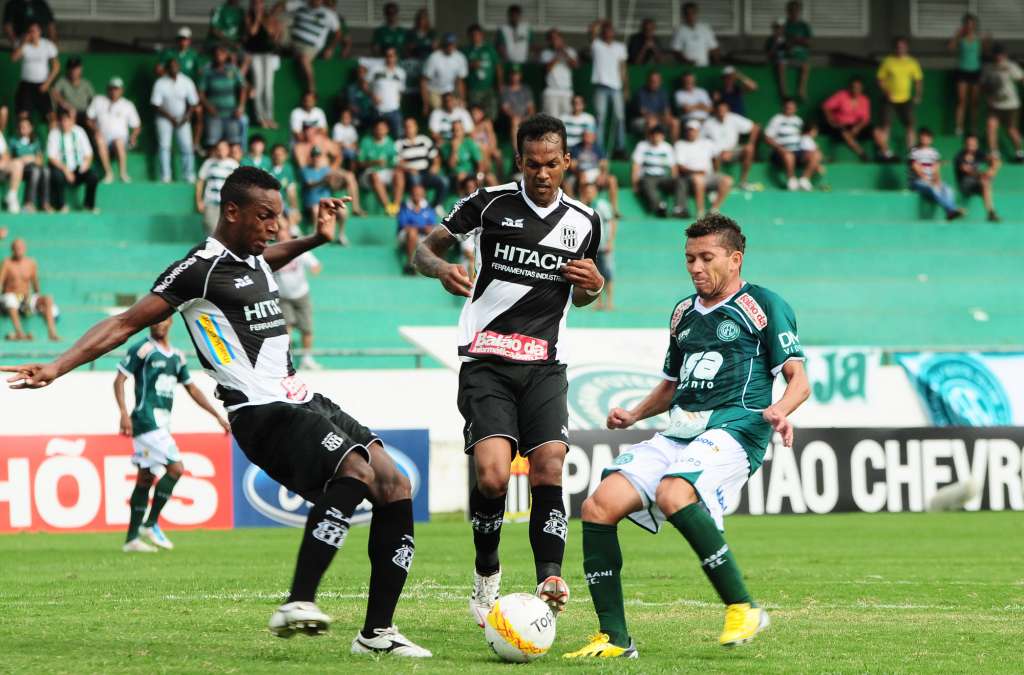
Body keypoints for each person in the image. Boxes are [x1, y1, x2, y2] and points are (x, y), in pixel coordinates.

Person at [1, 167, 432, 657]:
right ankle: (298, 601)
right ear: (231, 212)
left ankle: (377, 633)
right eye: (265, 216)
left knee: (396, 484)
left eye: (279, 215)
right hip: (259, 409)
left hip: (302, 396)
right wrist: (58, 366)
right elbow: (125, 322)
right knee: (353, 469)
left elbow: (269, 256)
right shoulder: (197, 269)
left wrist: (317, 238)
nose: (274, 226)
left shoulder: (253, 259)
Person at [563, 213, 810, 659]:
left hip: (738, 427)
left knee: (674, 491)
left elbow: (799, 379)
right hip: (680, 431)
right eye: (690, 258)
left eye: (706, 258)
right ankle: (615, 638)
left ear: (735, 259)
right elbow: (673, 384)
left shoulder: (764, 305)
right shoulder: (682, 313)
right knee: (598, 505)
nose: (696, 267)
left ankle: (743, 607)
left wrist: (780, 409)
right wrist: (635, 413)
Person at [413, 113, 605, 627]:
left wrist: (594, 286)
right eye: (532, 164)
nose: (542, 174)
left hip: (544, 364)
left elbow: (582, 296)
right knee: (495, 477)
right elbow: (422, 250)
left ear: (567, 162)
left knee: (549, 465)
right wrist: (442, 268)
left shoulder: (585, 222)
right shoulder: (488, 203)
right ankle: (486, 573)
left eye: (552, 164)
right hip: (487, 361)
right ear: (518, 161)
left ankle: (550, 577)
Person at [115, 317, 230, 553]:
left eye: (163, 319)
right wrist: (123, 413)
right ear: (149, 324)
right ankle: (150, 523)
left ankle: (131, 540)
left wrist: (216, 416)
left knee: (146, 478)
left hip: (162, 424)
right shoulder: (142, 349)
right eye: (154, 320)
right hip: (146, 420)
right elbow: (119, 380)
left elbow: (192, 388)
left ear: (170, 322)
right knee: (176, 469)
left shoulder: (177, 356)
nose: (158, 324)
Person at [273, 225, 324, 369]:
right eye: (279, 237)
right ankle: (285, 359)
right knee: (286, 329)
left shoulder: (299, 251)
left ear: (289, 237)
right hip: (283, 297)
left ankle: (307, 358)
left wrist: (315, 268)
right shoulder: (273, 253)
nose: (282, 239)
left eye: (284, 237)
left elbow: (316, 265)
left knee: (307, 328)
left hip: (302, 295)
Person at [0, 238, 60, 341]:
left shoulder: (31, 263)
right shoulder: (7, 263)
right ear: (12, 249)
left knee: (47, 299)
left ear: (25, 249)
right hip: (10, 297)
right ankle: (20, 333)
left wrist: (38, 302)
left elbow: (36, 286)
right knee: (10, 299)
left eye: (21, 248)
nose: (19, 250)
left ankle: (52, 333)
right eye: (16, 248)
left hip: (26, 298)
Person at [875, 36, 923, 161]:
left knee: (910, 125)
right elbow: (880, 79)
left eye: (902, 46)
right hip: (889, 99)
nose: (900, 48)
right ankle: (885, 152)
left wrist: (917, 95)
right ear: (895, 48)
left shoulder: (912, 62)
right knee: (886, 125)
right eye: (898, 46)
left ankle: (912, 153)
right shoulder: (888, 61)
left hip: (906, 99)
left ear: (906, 47)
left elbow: (918, 80)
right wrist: (886, 91)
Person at [152, 57, 200, 184]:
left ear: (179, 67)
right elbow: (156, 105)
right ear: (167, 68)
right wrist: (170, 118)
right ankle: (165, 176)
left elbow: (193, 102)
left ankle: (189, 175)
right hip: (164, 118)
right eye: (171, 66)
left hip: (182, 118)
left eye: (175, 65)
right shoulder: (160, 83)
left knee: (186, 146)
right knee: (164, 146)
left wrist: (186, 116)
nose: (173, 68)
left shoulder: (186, 81)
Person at [87, 77, 141, 184]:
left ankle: (123, 173)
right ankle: (109, 174)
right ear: (107, 89)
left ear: (121, 90)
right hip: (102, 138)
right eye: (111, 88)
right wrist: (95, 130)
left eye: (116, 89)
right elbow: (89, 119)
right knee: (99, 140)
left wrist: (133, 137)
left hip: (121, 140)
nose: (113, 91)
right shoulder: (98, 100)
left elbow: (137, 126)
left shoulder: (128, 105)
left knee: (119, 141)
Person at [676, 119, 733, 216]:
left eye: (693, 130)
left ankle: (713, 209)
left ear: (698, 131)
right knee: (699, 180)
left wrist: (716, 170)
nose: (691, 132)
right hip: (690, 177)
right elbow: (680, 166)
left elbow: (717, 156)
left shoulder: (707, 143)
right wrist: (697, 171)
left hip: (709, 175)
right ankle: (700, 212)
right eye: (689, 130)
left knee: (727, 180)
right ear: (686, 132)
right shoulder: (680, 144)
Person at [47, 108, 99, 213]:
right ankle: (61, 205)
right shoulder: (54, 133)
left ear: (72, 121)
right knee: (57, 176)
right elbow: (51, 157)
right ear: (60, 121)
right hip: (62, 168)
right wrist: (66, 170)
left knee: (93, 176)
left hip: (78, 168)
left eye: (68, 120)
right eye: (63, 120)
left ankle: (89, 205)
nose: (65, 123)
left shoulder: (79, 131)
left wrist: (85, 165)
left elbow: (88, 153)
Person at [589, 20, 628, 157]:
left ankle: (620, 148)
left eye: (610, 30)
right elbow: (591, 31)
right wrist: (601, 21)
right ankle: (599, 150)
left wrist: (625, 87)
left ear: (614, 32)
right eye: (605, 30)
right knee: (600, 118)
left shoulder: (620, 47)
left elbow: (623, 68)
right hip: (601, 86)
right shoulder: (597, 44)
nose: (608, 32)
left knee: (619, 117)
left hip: (617, 87)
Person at [909, 128, 965, 221]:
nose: (924, 139)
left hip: (931, 180)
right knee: (933, 188)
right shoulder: (914, 151)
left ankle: (951, 210)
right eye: (922, 136)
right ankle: (951, 210)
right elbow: (916, 167)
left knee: (948, 189)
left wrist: (937, 180)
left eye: (927, 137)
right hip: (917, 182)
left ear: (931, 139)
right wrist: (926, 179)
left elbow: (936, 168)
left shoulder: (934, 152)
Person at [632, 124, 688, 218]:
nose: (656, 137)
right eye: (654, 134)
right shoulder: (642, 146)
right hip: (647, 177)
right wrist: (635, 184)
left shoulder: (667, 147)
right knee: (646, 183)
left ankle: (679, 208)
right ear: (650, 136)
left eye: (658, 135)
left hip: (663, 177)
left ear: (663, 136)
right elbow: (636, 166)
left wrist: (673, 181)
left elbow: (673, 167)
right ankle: (659, 206)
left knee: (680, 181)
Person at [199, 43, 247, 149]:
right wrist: (209, 107)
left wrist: (241, 107)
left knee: (234, 144)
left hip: (232, 114)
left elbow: (243, 87)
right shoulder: (207, 71)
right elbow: (200, 93)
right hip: (214, 115)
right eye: (216, 54)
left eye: (221, 53)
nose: (218, 56)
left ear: (226, 55)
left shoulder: (233, 69)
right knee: (212, 145)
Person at [702, 100, 759, 190]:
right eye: (719, 110)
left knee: (749, 149)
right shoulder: (708, 123)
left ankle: (743, 182)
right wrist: (718, 152)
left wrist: (751, 143)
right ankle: (715, 187)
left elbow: (755, 127)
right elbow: (700, 141)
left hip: (734, 150)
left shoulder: (734, 118)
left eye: (724, 110)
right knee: (713, 155)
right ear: (715, 111)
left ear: (728, 110)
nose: (722, 113)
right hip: (716, 152)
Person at [765, 97, 819, 191]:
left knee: (816, 154)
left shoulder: (798, 121)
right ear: (783, 108)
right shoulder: (776, 119)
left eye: (792, 108)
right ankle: (792, 180)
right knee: (788, 155)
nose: (789, 110)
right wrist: (779, 148)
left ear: (795, 109)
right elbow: (767, 138)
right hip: (781, 151)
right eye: (787, 107)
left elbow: (804, 138)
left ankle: (804, 180)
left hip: (798, 151)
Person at [395, 116, 448, 213]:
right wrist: (409, 169)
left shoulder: (424, 140)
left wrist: (435, 166)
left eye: (411, 126)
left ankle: (436, 206)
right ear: (404, 128)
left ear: (416, 127)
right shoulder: (399, 143)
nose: (409, 129)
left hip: (426, 173)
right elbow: (397, 162)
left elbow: (435, 157)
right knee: (415, 178)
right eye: (406, 126)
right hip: (409, 174)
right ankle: (420, 208)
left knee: (444, 181)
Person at [11, 21, 59, 127]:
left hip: (43, 85)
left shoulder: (47, 45)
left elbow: (56, 67)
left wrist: (47, 83)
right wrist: (24, 43)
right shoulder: (22, 44)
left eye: (35, 31)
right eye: (30, 31)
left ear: (40, 32)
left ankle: (53, 140)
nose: (33, 33)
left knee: (51, 115)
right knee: (23, 115)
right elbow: (14, 58)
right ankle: (23, 141)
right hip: (26, 85)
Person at [578, 181, 616, 311]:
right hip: (591, 248)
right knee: (595, 275)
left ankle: (610, 302)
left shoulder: (602, 206)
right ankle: (598, 302)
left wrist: (610, 241)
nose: (588, 194)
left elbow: (611, 222)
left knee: (608, 274)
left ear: (595, 192)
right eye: (586, 191)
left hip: (604, 246)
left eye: (590, 191)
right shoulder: (583, 207)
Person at [245, 0, 283, 129]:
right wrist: (257, 18)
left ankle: (269, 117)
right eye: (255, 3)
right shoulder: (248, 17)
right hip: (254, 55)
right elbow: (252, 32)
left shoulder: (268, 18)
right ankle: (260, 117)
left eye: (260, 3)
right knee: (258, 86)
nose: (257, 5)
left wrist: (263, 19)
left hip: (268, 55)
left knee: (268, 88)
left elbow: (272, 34)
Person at [982, 46, 1024, 162]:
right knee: (991, 127)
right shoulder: (989, 68)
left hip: (1011, 105)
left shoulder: (1011, 67)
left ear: (1004, 55)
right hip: (994, 105)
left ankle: (1019, 151)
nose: (998, 57)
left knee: (1011, 130)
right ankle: (994, 154)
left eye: (1001, 54)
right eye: (996, 54)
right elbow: (984, 85)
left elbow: (1021, 78)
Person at [567, 127, 620, 216]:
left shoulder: (598, 148)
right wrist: (580, 172)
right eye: (586, 136)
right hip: (581, 173)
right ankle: (582, 208)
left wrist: (603, 174)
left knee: (612, 180)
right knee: (583, 178)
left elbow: (604, 164)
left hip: (596, 173)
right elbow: (573, 165)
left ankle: (614, 210)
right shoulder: (576, 148)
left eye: (590, 136)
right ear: (583, 137)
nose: (587, 138)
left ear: (594, 137)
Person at [291, 0, 341, 93]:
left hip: (312, 46)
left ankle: (312, 88)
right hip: (294, 44)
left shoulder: (329, 14)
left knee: (304, 59)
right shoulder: (300, 5)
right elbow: (282, 5)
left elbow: (338, 33)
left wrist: (330, 49)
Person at [949, 13, 985, 136]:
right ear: (964, 25)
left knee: (975, 102)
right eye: (967, 24)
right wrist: (956, 35)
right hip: (962, 71)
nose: (969, 26)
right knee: (961, 101)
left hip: (975, 71)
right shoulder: (960, 38)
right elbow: (951, 48)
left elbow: (984, 51)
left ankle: (974, 127)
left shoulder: (979, 38)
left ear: (974, 25)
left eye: (972, 24)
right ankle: (959, 127)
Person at [358, 118, 403, 215]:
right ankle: (387, 207)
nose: (381, 131)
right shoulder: (366, 141)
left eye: (383, 128)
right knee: (374, 175)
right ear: (374, 129)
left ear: (387, 130)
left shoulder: (390, 142)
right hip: (368, 174)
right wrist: (374, 162)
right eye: (378, 128)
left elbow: (394, 162)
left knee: (399, 175)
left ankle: (395, 207)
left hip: (386, 172)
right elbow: (360, 163)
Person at [821, 77, 872, 161]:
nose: (855, 90)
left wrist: (857, 128)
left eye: (858, 88)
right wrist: (831, 120)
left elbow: (865, 119)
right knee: (843, 131)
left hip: (856, 126)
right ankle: (862, 154)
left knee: (875, 130)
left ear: (862, 89)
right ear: (850, 87)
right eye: (853, 87)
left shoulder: (864, 100)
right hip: (840, 126)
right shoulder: (841, 95)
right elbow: (826, 106)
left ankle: (885, 153)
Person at [196, 139, 240, 234]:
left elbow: (237, 185)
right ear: (216, 150)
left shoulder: (234, 165)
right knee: (212, 230)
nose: (221, 151)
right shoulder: (208, 163)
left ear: (228, 150)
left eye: (224, 148)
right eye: (219, 148)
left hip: (227, 204)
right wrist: (199, 200)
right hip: (210, 203)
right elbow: (200, 182)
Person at [7, 115, 50, 212]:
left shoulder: (35, 141)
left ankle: (45, 203)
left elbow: (40, 160)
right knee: (35, 171)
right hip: (19, 170)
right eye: (21, 127)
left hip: (33, 167)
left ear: (31, 128)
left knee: (46, 170)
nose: (23, 129)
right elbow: (8, 160)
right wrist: (22, 159)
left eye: (26, 127)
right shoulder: (13, 141)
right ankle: (28, 203)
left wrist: (32, 158)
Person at [955, 133, 1000, 222]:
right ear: (965, 144)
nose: (972, 146)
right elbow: (967, 170)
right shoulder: (959, 156)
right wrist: (983, 175)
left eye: (974, 144)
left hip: (977, 182)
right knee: (985, 180)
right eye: (969, 144)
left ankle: (991, 212)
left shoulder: (979, 153)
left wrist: (992, 171)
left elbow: (997, 162)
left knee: (986, 183)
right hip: (965, 184)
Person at [421, 33, 468, 115]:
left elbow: (460, 81)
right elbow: (423, 81)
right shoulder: (434, 57)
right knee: (439, 111)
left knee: (459, 109)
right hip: (435, 91)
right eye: (448, 44)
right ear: (443, 45)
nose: (450, 47)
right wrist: (426, 103)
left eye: (452, 44)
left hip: (451, 91)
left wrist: (462, 99)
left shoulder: (460, 57)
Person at [464, 23, 502, 123]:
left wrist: (500, 84)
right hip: (474, 88)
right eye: (472, 35)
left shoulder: (489, 49)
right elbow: (461, 70)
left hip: (489, 88)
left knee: (491, 113)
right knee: (475, 114)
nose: (475, 37)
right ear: (469, 36)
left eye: (477, 34)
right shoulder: (466, 50)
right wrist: (470, 65)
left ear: (482, 35)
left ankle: (488, 135)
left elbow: (498, 67)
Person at [396, 182, 435, 275]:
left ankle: (433, 265)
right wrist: (421, 227)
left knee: (436, 233)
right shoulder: (404, 206)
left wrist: (418, 227)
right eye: (415, 193)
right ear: (411, 194)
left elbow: (431, 226)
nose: (417, 195)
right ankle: (410, 264)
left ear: (423, 195)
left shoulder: (428, 207)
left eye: (419, 193)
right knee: (412, 232)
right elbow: (404, 226)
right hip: (405, 236)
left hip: (423, 235)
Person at [370, 46, 407, 139]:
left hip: (394, 110)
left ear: (396, 57)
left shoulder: (401, 72)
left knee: (399, 136)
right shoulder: (375, 70)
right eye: (388, 55)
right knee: (375, 136)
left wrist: (398, 101)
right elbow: (365, 84)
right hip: (378, 110)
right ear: (385, 57)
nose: (390, 58)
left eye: (392, 55)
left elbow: (401, 90)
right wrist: (373, 96)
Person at [441, 119, 490, 190]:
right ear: (452, 132)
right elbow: (451, 166)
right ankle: (463, 199)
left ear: (463, 131)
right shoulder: (447, 146)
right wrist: (454, 149)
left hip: (471, 172)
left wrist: (479, 175)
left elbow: (480, 162)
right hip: (455, 175)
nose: (457, 132)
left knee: (490, 178)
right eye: (454, 130)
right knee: (462, 178)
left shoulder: (469, 142)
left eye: (459, 130)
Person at [539, 29, 578, 118]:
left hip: (566, 91)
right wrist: (557, 54)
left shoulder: (570, 51)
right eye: (552, 38)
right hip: (551, 91)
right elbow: (547, 69)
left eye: (557, 38)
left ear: (561, 39)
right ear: (549, 41)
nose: (555, 40)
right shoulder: (545, 53)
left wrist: (564, 52)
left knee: (567, 120)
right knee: (551, 121)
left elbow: (575, 65)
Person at [779, 1, 812, 101]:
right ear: (788, 11)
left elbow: (809, 42)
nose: (794, 12)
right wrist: (788, 43)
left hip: (800, 57)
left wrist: (797, 40)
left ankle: (801, 92)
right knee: (781, 64)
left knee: (806, 66)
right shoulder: (784, 25)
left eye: (796, 10)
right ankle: (784, 93)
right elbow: (780, 41)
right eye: (791, 10)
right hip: (787, 57)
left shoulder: (804, 26)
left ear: (799, 11)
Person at [633, 71, 679, 141]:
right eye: (652, 81)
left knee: (675, 122)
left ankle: (674, 148)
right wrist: (659, 117)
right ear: (648, 81)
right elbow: (644, 113)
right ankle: (649, 147)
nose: (654, 83)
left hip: (658, 118)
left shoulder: (663, 93)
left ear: (660, 82)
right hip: (641, 120)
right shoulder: (641, 92)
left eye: (656, 81)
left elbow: (667, 111)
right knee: (652, 122)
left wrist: (665, 117)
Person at [51, 57, 96, 128]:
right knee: (67, 117)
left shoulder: (86, 83)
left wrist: (91, 113)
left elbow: (94, 100)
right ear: (68, 69)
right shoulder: (62, 81)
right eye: (71, 68)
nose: (73, 71)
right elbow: (54, 93)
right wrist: (66, 105)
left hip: (84, 113)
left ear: (80, 69)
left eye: (76, 68)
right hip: (68, 112)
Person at [671, 2, 720, 66]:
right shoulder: (679, 31)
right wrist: (686, 61)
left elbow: (714, 48)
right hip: (686, 69)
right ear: (683, 15)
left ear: (697, 13)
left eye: (693, 13)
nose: (690, 16)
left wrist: (717, 63)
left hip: (704, 66)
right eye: (687, 13)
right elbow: (676, 51)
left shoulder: (705, 29)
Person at [501, 67, 535, 154]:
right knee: (515, 121)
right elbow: (505, 109)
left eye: (516, 74)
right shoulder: (506, 90)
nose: (514, 77)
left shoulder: (526, 89)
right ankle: (517, 152)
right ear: (509, 76)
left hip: (526, 116)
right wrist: (516, 117)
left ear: (520, 76)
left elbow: (531, 107)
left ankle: (532, 150)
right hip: (511, 119)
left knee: (532, 121)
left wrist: (527, 116)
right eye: (513, 74)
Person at [269, 142, 301, 228]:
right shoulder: (266, 168)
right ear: (272, 155)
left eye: (281, 154)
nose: (278, 157)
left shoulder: (288, 169)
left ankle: (293, 232)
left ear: (286, 156)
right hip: (269, 203)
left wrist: (295, 209)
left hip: (282, 203)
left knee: (293, 215)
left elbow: (291, 192)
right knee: (283, 224)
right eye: (276, 154)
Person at [469, 104, 503, 179]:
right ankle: (486, 174)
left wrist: (491, 149)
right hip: (477, 151)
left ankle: (500, 176)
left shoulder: (486, 123)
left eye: (476, 113)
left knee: (498, 154)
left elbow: (492, 137)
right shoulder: (471, 126)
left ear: (482, 114)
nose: (474, 115)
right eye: (473, 113)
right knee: (482, 150)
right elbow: (472, 142)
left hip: (488, 148)